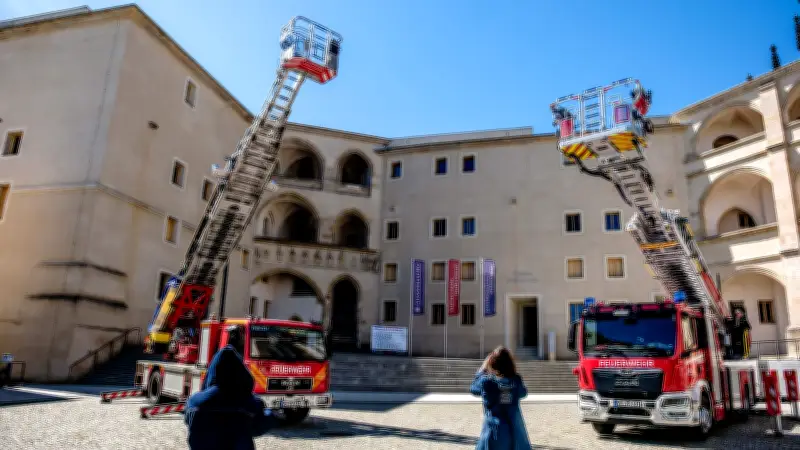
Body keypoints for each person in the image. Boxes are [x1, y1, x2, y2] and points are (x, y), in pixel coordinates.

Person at [185, 329, 276, 450]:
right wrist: (271, 413)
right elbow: (261, 425)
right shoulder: (250, 403)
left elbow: (189, 422)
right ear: (241, 373)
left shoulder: (194, 402)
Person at [470, 346, 531, 450]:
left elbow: (474, 389)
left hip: (493, 429)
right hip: (514, 431)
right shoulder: (516, 381)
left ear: (492, 363)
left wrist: (482, 371)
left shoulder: (487, 382)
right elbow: (523, 393)